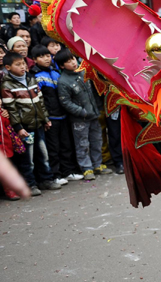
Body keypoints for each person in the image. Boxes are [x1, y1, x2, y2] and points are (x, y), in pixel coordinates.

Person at [1, 51, 60, 195]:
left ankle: (46, 179)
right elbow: (12, 109)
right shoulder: (7, 85)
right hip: (25, 128)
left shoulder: (31, 79)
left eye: (23, 64)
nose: (22, 67)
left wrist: (45, 119)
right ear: (8, 67)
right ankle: (30, 184)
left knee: (43, 154)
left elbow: (40, 102)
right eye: (18, 65)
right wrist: (18, 128)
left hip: (38, 124)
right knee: (28, 158)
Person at [56, 49, 112, 180]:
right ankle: (86, 168)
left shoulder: (83, 72)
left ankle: (98, 164)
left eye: (73, 59)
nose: (73, 62)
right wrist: (82, 112)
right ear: (62, 66)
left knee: (96, 140)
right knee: (82, 143)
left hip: (93, 113)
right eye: (68, 61)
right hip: (79, 118)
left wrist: (95, 109)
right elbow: (66, 102)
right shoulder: (63, 81)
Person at [30, 45, 82, 184]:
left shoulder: (56, 72)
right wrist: (45, 118)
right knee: (53, 148)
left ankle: (68, 171)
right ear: (34, 60)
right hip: (50, 118)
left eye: (48, 55)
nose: (46, 59)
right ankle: (56, 174)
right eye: (42, 56)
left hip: (63, 115)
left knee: (66, 145)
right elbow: (39, 101)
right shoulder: (35, 76)